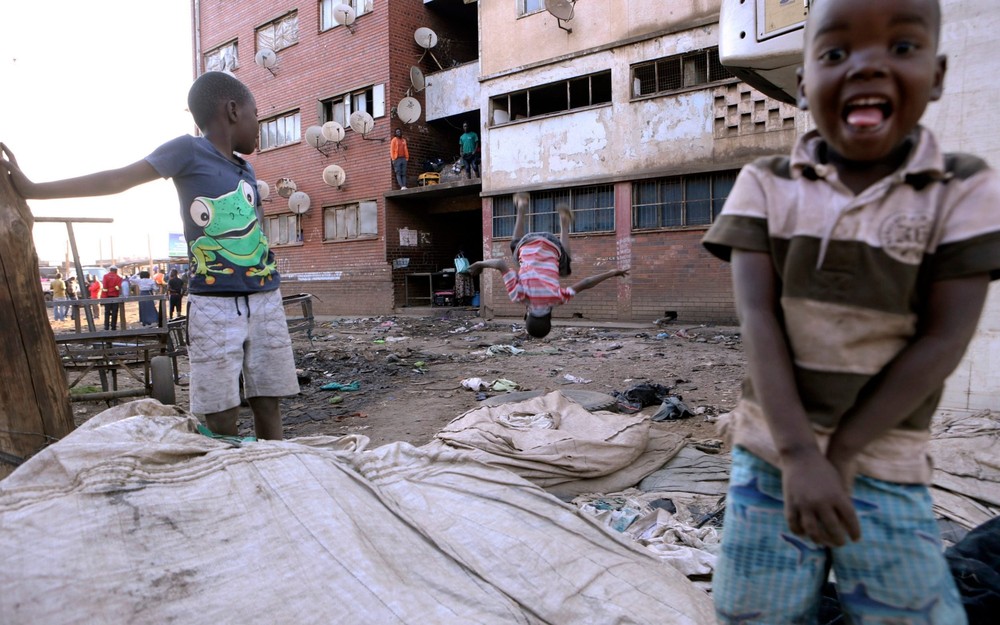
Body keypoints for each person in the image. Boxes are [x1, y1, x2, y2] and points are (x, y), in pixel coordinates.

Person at [701, 0, 1000, 622]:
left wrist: (838, 454)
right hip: (770, 459)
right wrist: (800, 455)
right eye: (836, 53)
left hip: (885, 460)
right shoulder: (766, 183)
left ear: (938, 75)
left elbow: (944, 338)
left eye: (901, 48)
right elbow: (759, 319)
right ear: (805, 83)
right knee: (758, 614)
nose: (866, 67)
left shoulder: (963, 188)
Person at [1, 71, 299, 440]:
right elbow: (117, 179)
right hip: (216, 306)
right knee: (220, 411)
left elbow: (255, 229)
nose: (260, 127)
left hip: (265, 298)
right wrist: (33, 190)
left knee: (268, 400)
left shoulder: (246, 168)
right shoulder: (188, 150)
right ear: (233, 110)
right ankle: (224, 483)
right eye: (258, 116)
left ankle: (275, 472)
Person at [465, 193, 629, 338]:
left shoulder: (558, 299)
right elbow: (500, 264)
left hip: (553, 244)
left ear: (550, 318)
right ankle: (521, 208)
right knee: (515, 248)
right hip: (527, 242)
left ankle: (564, 223)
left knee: (564, 267)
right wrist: (480, 263)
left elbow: (586, 283)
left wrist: (613, 272)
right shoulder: (518, 296)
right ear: (528, 314)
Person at [101, 265, 123, 330]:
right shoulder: (119, 277)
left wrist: (103, 297)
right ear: (116, 270)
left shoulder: (105, 276)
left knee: (107, 312)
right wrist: (113, 290)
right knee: (114, 312)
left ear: (110, 270)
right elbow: (118, 287)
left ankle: (106, 326)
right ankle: (113, 326)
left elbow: (104, 287)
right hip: (115, 296)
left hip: (107, 296)